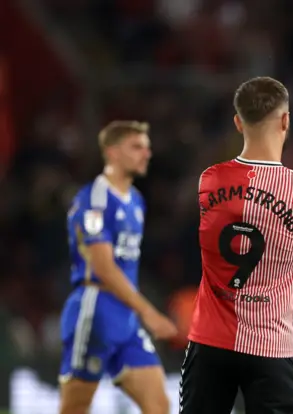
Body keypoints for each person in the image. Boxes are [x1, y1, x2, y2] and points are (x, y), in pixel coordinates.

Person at [180, 76, 293, 414]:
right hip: (271, 346)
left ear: (238, 123)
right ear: (285, 121)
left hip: (209, 343)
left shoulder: (209, 180)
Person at [59, 121, 178, 414]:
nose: (146, 154)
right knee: (75, 407)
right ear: (112, 153)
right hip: (95, 308)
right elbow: (103, 266)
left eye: (147, 147)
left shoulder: (136, 200)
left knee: (158, 405)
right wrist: (148, 312)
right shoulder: (94, 199)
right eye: (136, 147)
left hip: (125, 318)